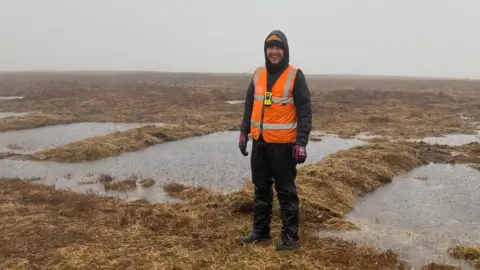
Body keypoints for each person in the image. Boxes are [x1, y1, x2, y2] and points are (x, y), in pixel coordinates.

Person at [237, 29, 312, 251]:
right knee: (261, 188)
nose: (274, 52)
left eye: (279, 47)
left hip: (283, 145)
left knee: (286, 191)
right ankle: (261, 232)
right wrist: (243, 132)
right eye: (271, 47)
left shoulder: (295, 75)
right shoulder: (258, 74)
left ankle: (290, 238)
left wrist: (301, 142)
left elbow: (305, 112)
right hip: (259, 143)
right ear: (266, 51)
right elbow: (249, 105)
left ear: (285, 50)